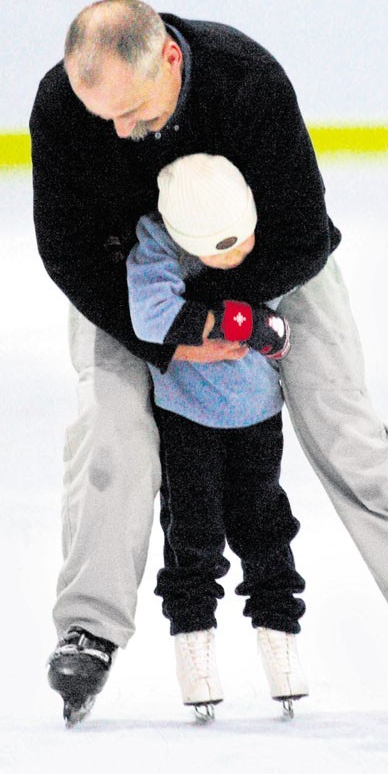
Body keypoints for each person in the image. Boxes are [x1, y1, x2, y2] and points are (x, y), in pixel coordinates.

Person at [31, 0, 388, 725]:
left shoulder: (246, 79)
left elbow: (301, 234)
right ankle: (88, 628)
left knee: (341, 418)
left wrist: (228, 317)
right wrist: (171, 331)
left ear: (167, 58)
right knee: (111, 428)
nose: (121, 131)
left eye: (131, 112)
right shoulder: (66, 107)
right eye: (106, 119)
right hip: (135, 288)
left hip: (266, 268)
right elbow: (67, 253)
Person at [126, 152, 308, 721]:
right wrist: (236, 322)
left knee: (267, 526)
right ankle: (194, 645)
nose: (239, 258)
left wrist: (259, 327)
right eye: (220, 251)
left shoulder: (262, 230)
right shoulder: (158, 243)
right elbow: (150, 316)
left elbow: (278, 330)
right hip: (187, 421)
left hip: (257, 415)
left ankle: (281, 640)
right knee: (193, 534)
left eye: (243, 241)